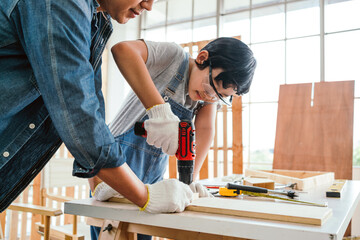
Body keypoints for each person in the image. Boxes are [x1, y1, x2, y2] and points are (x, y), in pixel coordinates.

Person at [0, 0, 195, 214]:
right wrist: (144, 196)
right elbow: (77, 109)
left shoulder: (97, 21)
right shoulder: (61, 4)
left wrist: (103, 180)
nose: (148, 6)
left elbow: (92, 107)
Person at [90, 37, 257, 239]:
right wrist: (158, 110)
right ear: (203, 58)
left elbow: (205, 129)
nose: (210, 96)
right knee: (112, 232)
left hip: (153, 177)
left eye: (219, 96)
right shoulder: (173, 57)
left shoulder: (207, 98)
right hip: (116, 162)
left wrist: (189, 180)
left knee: (144, 232)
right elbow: (123, 50)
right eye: (212, 87)